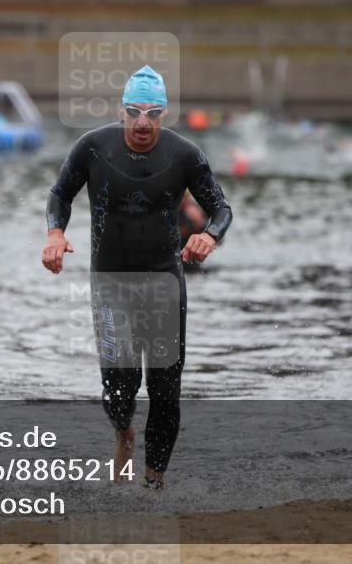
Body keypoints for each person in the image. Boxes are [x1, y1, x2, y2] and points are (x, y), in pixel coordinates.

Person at [42, 65, 233, 490]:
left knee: (165, 386)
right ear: (121, 111)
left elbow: (221, 209)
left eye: (153, 113)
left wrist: (210, 236)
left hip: (164, 282)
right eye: (134, 112)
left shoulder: (184, 155)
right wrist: (55, 233)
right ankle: (123, 434)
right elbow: (59, 194)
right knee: (120, 381)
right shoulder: (93, 148)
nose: (143, 122)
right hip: (110, 282)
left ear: (165, 114)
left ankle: (153, 483)